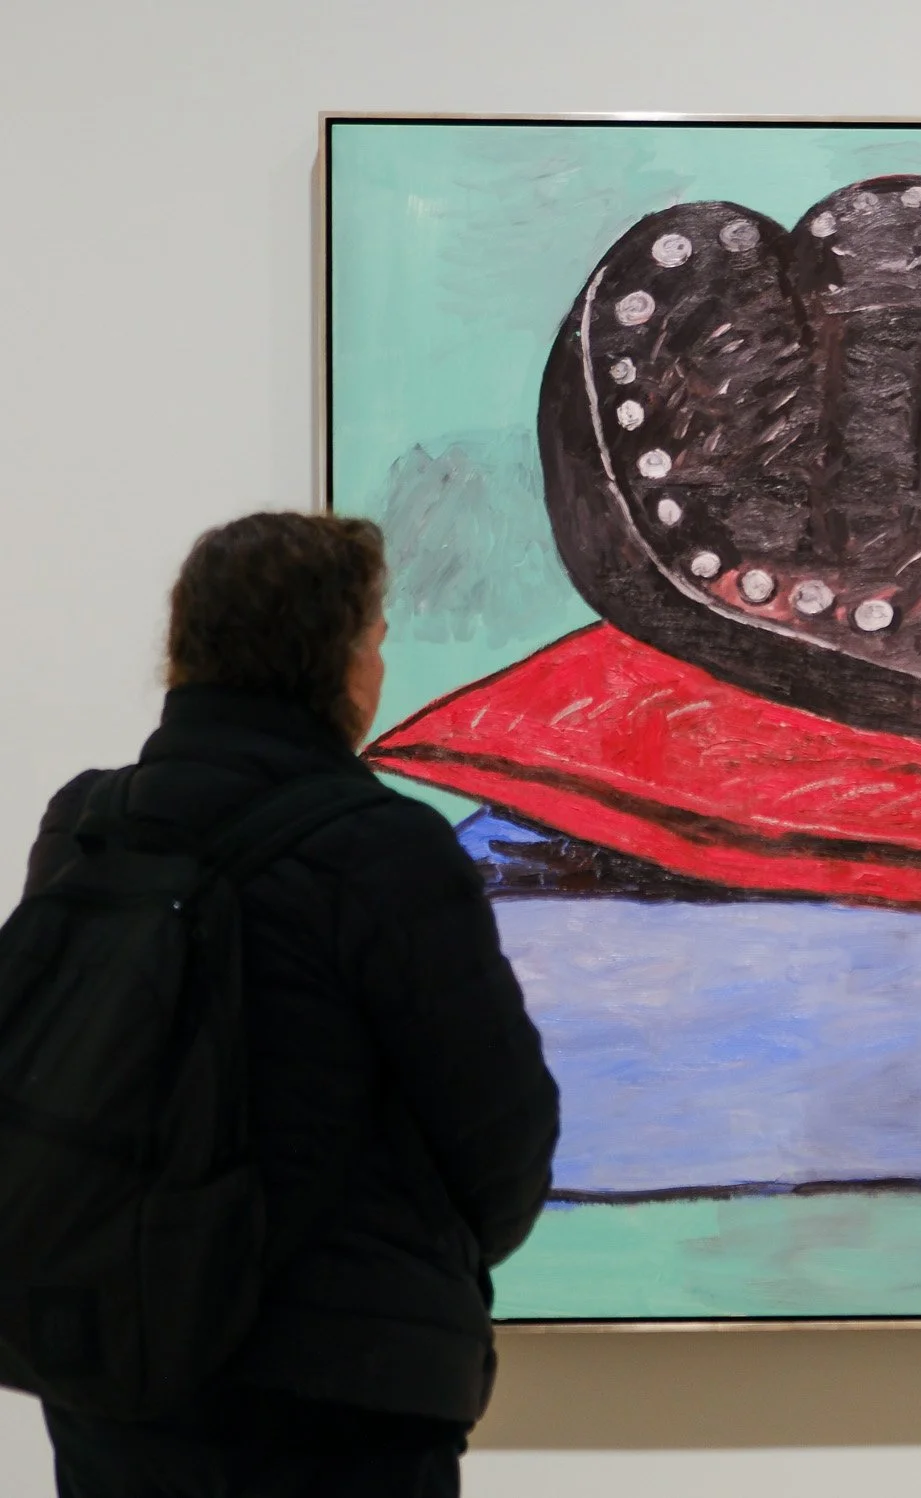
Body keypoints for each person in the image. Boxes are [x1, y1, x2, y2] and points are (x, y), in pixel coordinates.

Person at [30, 513, 560, 1496]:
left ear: (185, 651)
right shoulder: (383, 850)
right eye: (376, 639)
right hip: (338, 1393)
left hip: (118, 1367)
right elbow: (503, 1140)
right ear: (339, 662)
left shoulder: (88, 822)